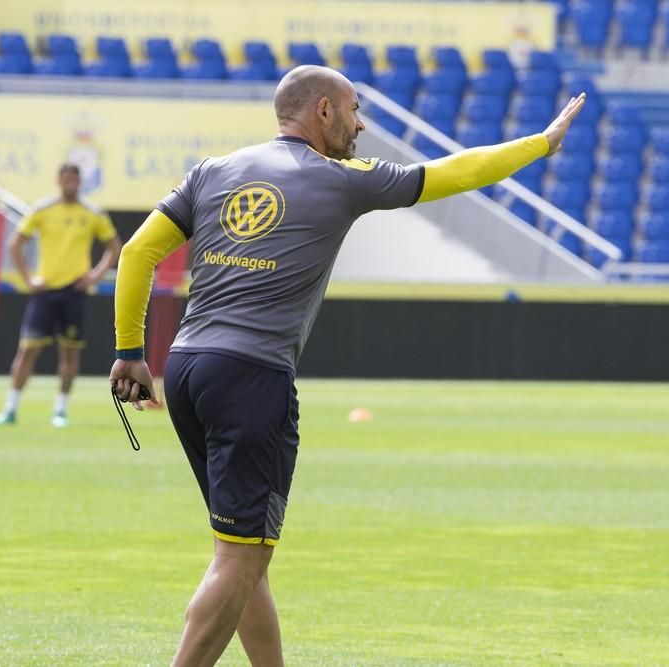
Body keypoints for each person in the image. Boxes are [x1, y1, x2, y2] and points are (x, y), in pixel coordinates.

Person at [109, 65, 585, 666]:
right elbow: (451, 173)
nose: (361, 123)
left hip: (186, 369)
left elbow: (137, 252)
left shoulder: (213, 171)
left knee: (245, 551)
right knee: (237, 561)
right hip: (252, 379)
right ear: (324, 112)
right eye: (355, 109)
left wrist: (130, 351)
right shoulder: (341, 179)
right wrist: (539, 144)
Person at [0, 163, 121, 428]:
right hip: (45, 290)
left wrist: (94, 276)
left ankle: (60, 410)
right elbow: (15, 243)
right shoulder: (42, 209)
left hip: (74, 291)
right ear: (58, 181)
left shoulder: (92, 213)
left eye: (75, 179)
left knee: (69, 353)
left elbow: (114, 247)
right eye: (66, 179)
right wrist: (28, 278)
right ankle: (10, 408)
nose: (70, 183)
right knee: (28, 349)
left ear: (80, 182)